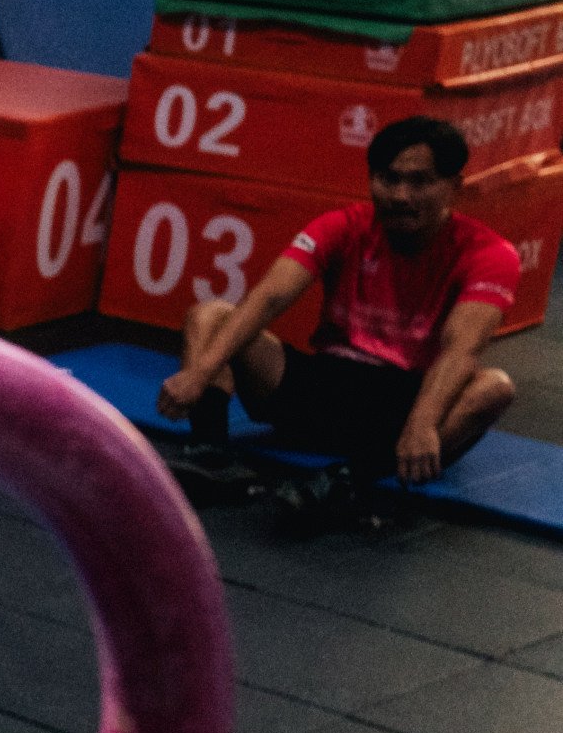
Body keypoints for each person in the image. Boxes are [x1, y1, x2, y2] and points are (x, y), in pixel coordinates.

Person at [159, 113, 521, 492]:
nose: (401, 196)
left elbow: (461, 348)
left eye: (420, 182)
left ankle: (351, 483)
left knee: (494, 387)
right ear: (371, 179)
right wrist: (200, 373)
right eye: (389, 179)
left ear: (453, 187)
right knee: (210, 315)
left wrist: (422, 425)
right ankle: (212, 455)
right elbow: (269, 298)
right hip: (324, 388)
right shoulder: (343, 226)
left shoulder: (490, 253)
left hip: (402, 406)